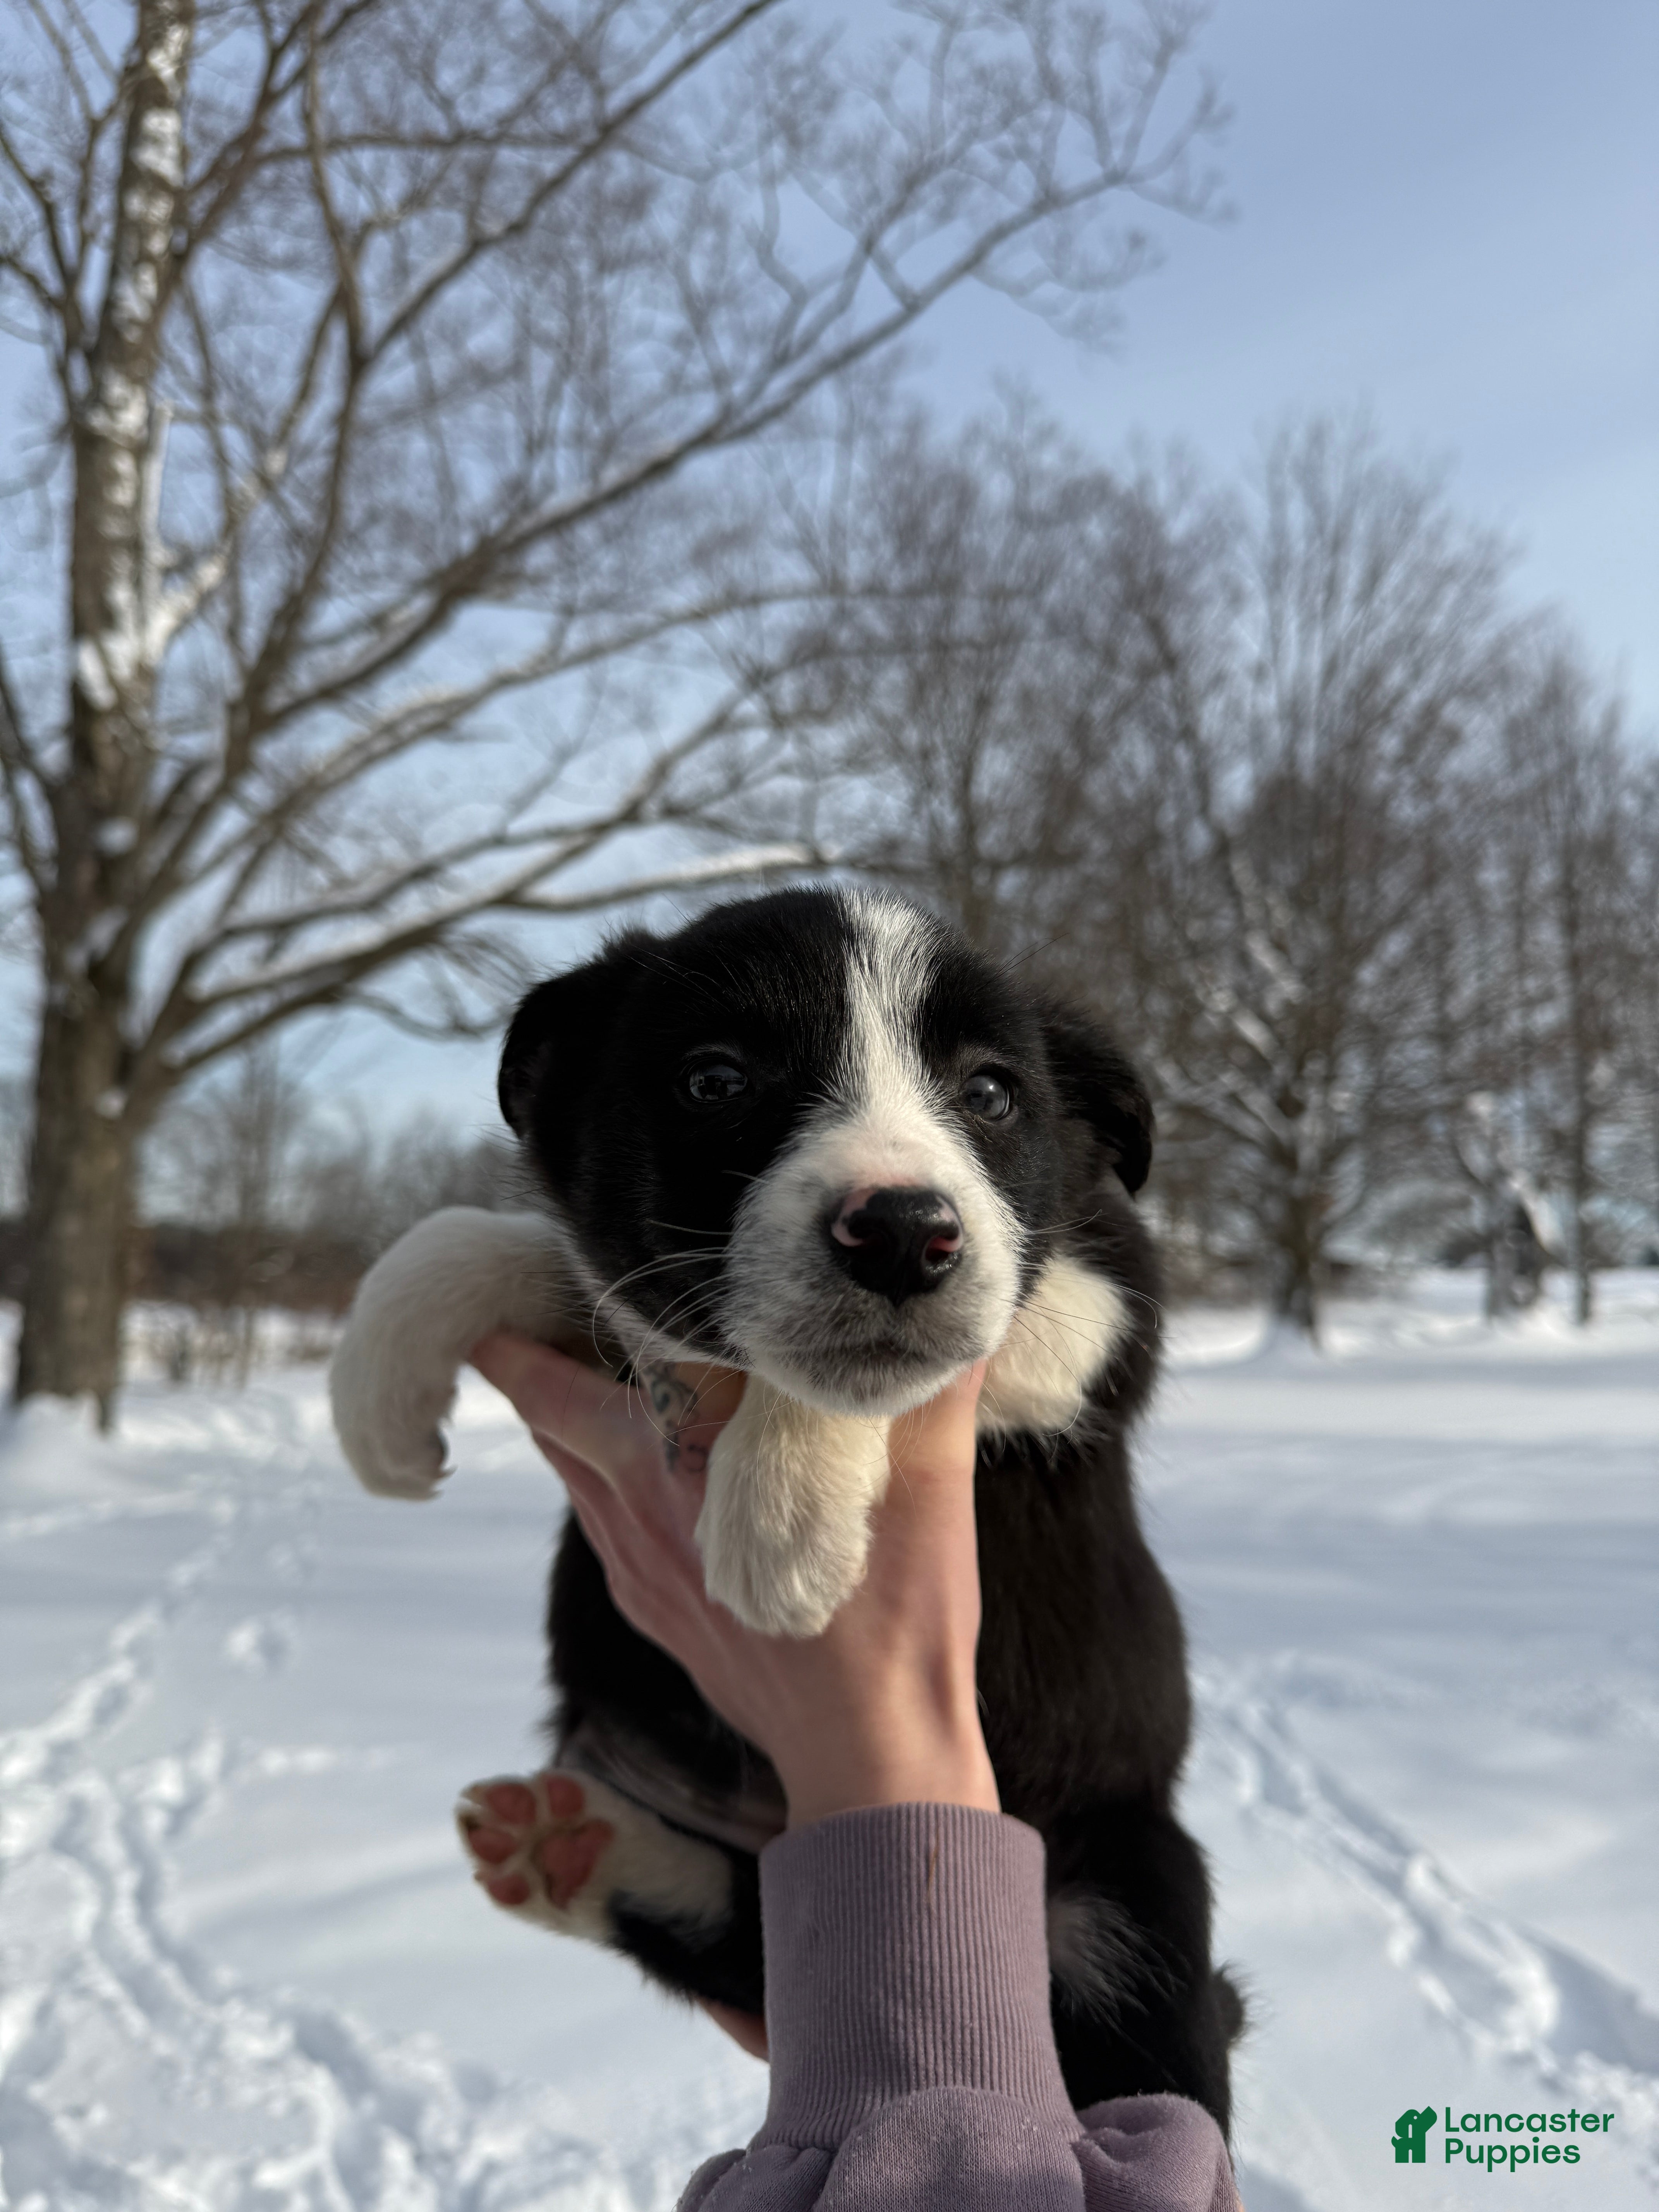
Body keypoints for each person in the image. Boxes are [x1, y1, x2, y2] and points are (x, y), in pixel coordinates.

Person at [470, 1334, 1242, 2211]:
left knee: (1125, 1935)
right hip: (1060, 1792)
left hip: (1070, 1806)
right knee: (1161, 2100)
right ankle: (725, 1918)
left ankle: (704, 1909)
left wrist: (873, 1763)